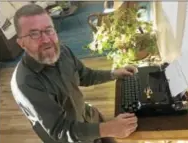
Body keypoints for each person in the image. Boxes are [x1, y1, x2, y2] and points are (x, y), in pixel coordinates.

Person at [10, 4, 138, 143]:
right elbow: (60, 130)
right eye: (34, 34)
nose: (46, 40)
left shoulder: (63, 51)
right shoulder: (25, 83)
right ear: (21, 43)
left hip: (88, 118)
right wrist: (108, 128)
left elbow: (85, 75)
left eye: (49, 30)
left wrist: (114, 73)